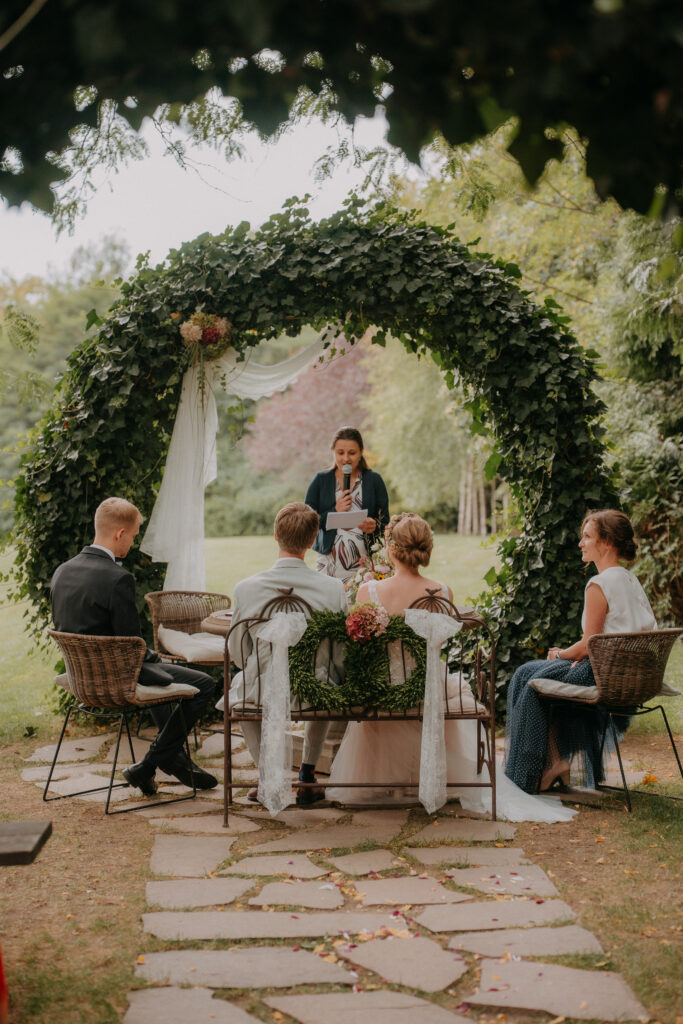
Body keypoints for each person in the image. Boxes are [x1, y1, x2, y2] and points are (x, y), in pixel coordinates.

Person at [326, 512, 575, 823]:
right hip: (432, 684)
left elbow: (362, 646)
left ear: (391, 549)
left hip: (387, 687)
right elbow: (438, 646)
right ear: (426, 549)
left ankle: (398, 780)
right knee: (453, 689)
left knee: (376, 686)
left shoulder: (369, 592)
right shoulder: (443, 592)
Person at [50, 497, 218, 795]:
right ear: (119, 534)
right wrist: (155, 656)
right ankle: (153, 762)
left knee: (161, 676)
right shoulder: (118, 578)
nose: (132, 543)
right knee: (202, 683)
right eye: (133, 535)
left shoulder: (62, 571)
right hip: (118, 679)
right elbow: (132, 649)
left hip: (82, 678)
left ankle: (161, 763)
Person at [504, 509, 657, 794]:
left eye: (587, 537)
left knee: (527, 676)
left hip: (600, 675)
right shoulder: (630, 580)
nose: (581, 543)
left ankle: (551, 764)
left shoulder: (599, 584)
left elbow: (589, 645)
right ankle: (556, 761)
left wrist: (560, 654)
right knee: (533, 673)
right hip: (629, 677)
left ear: (607, 542)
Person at [220, 502, 348, 804]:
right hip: (317, 691)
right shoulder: (333, 589)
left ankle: (268, 775)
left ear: (275, 534)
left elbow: (238, 652)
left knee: (239, 689)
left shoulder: (246, 589)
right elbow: (339, 652)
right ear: (313, 538)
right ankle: (306, 774)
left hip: (263, 690)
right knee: (328, 677)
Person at [304, 426, 389, 582]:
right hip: (329, 564)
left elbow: (386, 523)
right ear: (333, 452)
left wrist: (375, 526)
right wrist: (334, 510)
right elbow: (306, 521)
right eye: (340, 453)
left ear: (361, 452)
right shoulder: (320, 480)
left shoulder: (374, 480)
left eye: (352, 453)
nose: (345, 459)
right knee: (328, 606)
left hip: (365, 566)